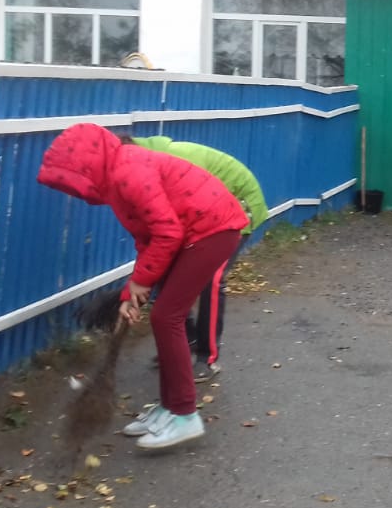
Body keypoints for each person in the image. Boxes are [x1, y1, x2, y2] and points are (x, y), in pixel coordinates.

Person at [37, 123, 248, 450]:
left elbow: (167, 232)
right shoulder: (118, 178)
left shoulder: (128, 172)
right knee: (166, 317)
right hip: (196, 231)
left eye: (74, 180)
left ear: (88, 165)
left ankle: (184, 415)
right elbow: (147, 239)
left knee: (167, 317)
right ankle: (170, 407)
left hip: (213, 231)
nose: (75, 192)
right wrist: (130, 294)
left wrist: (140, 281)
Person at [126, 135, 268, 379]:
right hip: (202, 214)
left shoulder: (171, 161)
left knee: (211, 280)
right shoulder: (141, 167)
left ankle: (207, 358)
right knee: (170, 270)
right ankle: (187, 340)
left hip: (238, 206)